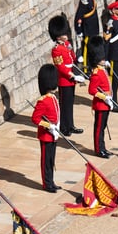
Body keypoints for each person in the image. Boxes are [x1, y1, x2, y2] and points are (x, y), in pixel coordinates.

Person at [48, 14, 85, 136]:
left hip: (71, 76)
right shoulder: (56, 49)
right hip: (64, 79)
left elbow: (71, 57)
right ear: (58, 36)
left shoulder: (66, 44)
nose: (66, 35)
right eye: (64, 33)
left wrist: (77, 57)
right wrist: (72, 76)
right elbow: (61, 67)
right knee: (65, 104)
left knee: (70, 103)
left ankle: (70, 125)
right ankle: (64, 127)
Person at [31, 64, 61, 192]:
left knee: (51, 160)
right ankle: (47, 184)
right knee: (46, 162)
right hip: (46, 135)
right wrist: (49, 126)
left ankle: (51, 181)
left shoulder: (53, 97)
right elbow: (35, 119)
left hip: (53, 135)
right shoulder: (43, 101)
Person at [88, 36, 114, 158]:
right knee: (99, 128)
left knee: (102, 127)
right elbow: (92, 90)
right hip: (101, 105)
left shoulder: (102, 70)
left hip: (106, 104)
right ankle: (98, 149)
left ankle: (103, 147)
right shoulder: (96, 73)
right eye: (101, 58)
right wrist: (104, 97)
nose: (103, 59)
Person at [103, 0, 118, 109]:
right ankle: (112, 102)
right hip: (112, 55)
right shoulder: (110, 23)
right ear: (113, 10)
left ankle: (115, 100)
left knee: (116, 80)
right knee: (112, 80)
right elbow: (107, 42)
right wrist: (106, 58)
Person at [74, 0, 100, 74]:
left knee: (92, 48)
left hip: (93, 28)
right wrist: (79, 29)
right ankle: (85, 68)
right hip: (87, 28)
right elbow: (79, 16)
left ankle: (91, 65)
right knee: (86, 49)